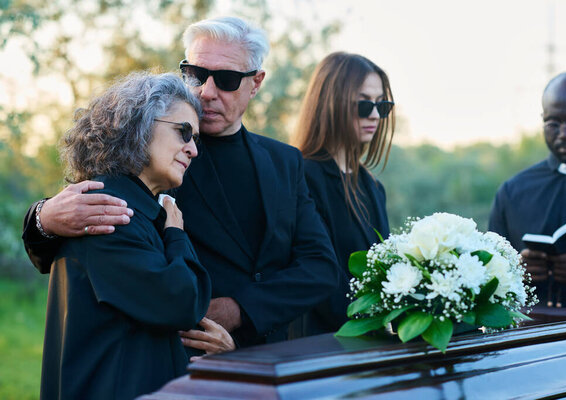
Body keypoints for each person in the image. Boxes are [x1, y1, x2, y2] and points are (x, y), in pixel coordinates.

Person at [23, 16, 339, 349]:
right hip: (171, 357)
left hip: (265, 354)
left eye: (227, 79)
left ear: (256, 83)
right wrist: (43, 218)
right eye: (196, 74)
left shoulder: (285, 161)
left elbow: (319, 266)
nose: (207, 92)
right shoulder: (150, 150)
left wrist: (238, 311)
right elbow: (93, 229)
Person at [40, 72, 235, 400]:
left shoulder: (135, 205)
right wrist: (176, 233)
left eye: (195, 139)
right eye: (183, 132)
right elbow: (180, 302)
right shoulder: (110, 210)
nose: (193, 150)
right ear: (139, 125)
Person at [289, 52, 395, 337]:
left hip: (369, 343)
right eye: (363, 104)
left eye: (381, 105)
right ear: (332, 103)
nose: (374, 114)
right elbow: (318, 276)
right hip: (321, 346)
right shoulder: (302, 176)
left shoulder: (372, 186)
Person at [489, 71, 566, 308]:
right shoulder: (513, 191)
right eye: (553, 124)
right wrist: (515, 269)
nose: (564, 134)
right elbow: (487, 276)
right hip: (527, 337)